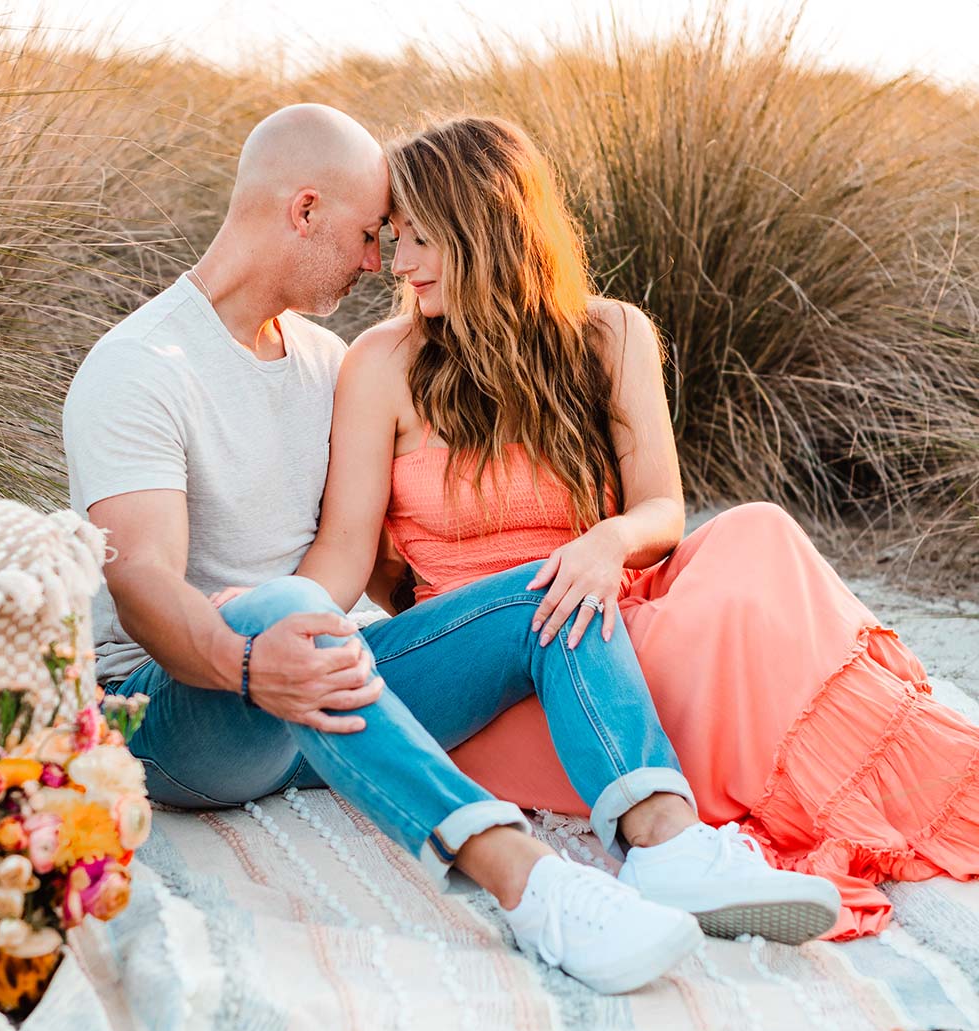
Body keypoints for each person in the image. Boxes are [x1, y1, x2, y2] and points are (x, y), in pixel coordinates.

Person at [63, 104, 834, 997]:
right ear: (303, 210)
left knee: (541, 593)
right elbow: (144, 585)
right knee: (293, 611)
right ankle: (533, 888)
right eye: (367, 235)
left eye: (394, 239)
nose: (378, 264)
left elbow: (355, 558)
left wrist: (555, 564)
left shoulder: (324, 359)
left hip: (322, 687)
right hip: (189, 709)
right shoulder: (141, 366)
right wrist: (245, 661)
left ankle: (665, 846)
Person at [292, 114, 979, 941]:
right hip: (500, 664)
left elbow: (661, 510)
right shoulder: (382, 362)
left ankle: (825, 782)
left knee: (758, 533)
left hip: (614, 605)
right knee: (628, 637)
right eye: (395, 238)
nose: (399, 265)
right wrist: (242, 634)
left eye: (423, 240)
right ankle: (672, 842)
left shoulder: (611, 334)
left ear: (492, 229)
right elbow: (343, 556)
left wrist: (604, 541)